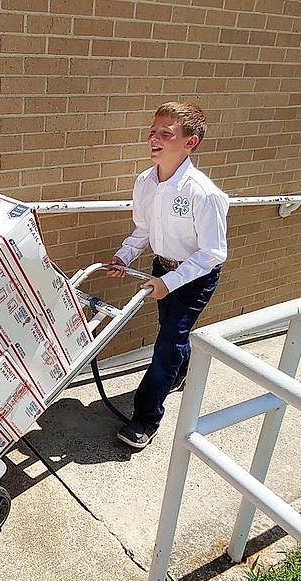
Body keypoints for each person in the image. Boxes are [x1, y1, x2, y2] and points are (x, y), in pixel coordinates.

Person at [108, 101, 229, 450]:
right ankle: (181, 370)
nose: (154, 137)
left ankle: (145, 418)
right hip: (162, 268)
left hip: (194, 277)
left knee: (167, 342)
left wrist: (169, 284)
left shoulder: (203, 194)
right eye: (153, 130)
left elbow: (212, 253)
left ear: (189, 142)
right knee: (172, 335)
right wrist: (122, 256)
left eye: (166, 133)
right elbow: (143, 229)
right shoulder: (145, 182)